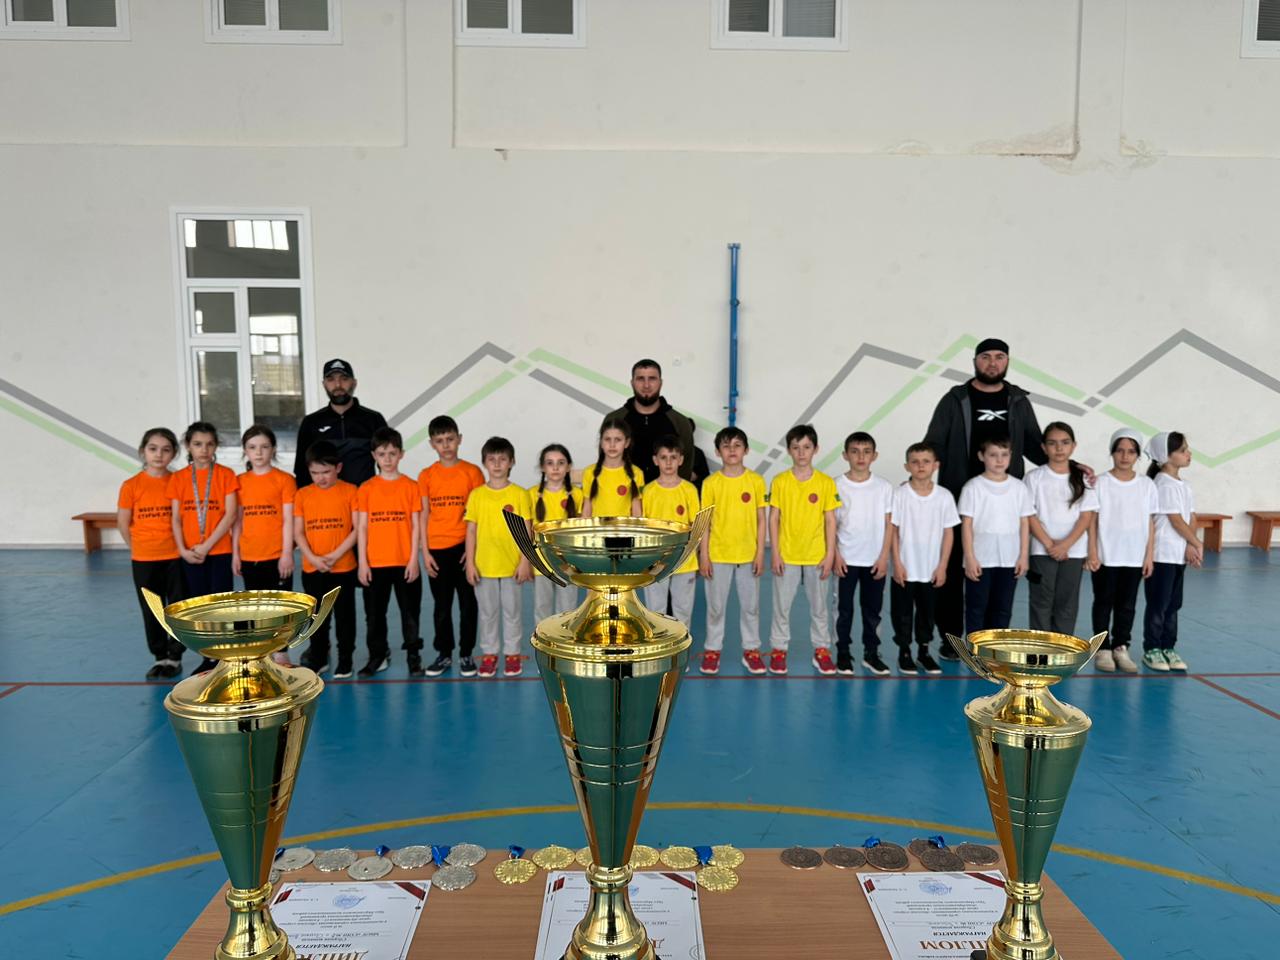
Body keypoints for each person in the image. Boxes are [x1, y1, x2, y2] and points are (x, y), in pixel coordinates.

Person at [924, 338, 1046, 657]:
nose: (993, 363)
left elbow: (1036, 446)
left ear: (1007, 362)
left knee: (998, 580)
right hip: (959, 500)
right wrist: (919, 478)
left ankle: (991, 640)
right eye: (986, 357)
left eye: (999, 357)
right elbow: (934, 443)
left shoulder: (1018, 401)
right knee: (953, 570)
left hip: (1002, 505)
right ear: (975, 361)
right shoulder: (955, 399)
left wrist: (1071, 465)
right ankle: (951, 639)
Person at [767, 424, 840, 676]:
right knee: (781, 607)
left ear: (815, 449)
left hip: (816, 556)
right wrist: (775, 553)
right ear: (789, 450)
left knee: (820, 608)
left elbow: (830, 520)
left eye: (806, 447)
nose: (801, 452)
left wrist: (830, 555)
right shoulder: (780, 481)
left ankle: (822, 650)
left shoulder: (825, 483)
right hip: (786, 555)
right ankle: (778, 650)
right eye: (796, 447)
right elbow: (773, 518)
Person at [168, 422, 239, 673]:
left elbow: (230, 515)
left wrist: (207, 545)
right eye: (198, 444)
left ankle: (226, 656)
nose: (204, 450)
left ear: (216, 446)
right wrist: (182, 550)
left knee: (221, 608)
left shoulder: (226, 475)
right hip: (190, 554)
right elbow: (175, 518)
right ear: (188, 446)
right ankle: (209, 657)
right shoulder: (178, 478)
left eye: (209, 444)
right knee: (200, 608)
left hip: (219, 552)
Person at [417, 415, 485, 678]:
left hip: (464, 549)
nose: (445, 445)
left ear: (459, 439)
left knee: (468, 605)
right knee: (441, 607)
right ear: (432, 444)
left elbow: (478, 516)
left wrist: (472, 550)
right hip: (437, 550)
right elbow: (424, 514)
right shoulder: (426, 475)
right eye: (439, 441)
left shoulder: (472, 472)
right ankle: (444, 653)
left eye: (450, 439)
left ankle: (466, 653)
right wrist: (425, 552)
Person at [698, 426, 767, 675]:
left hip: (748, 556)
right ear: (718, 452)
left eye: (737, 445)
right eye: (726, 446)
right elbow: (704, 523)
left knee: (751, 607)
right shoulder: (710, 483)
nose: (732, 450)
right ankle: (712, 650)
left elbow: (761, 519)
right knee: (715, 608)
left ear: (746, 450)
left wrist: (760, 553)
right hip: (718, 555)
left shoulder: (756, 481)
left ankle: (751, 650)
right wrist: (704, 555)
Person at [1089, 428, 1157, 673]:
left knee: (1127, 604)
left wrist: (1149, 555)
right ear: (1112, 452)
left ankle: (1121, 646)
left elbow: (1150, 521)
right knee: (1103, 602)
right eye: (1120, 451)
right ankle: (1102, 648)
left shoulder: (1146, 485)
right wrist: (1092, 551)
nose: (1125, 456)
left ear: (1137, 455)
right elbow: (1092, 520)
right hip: (1106, 555)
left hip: (1134, 556)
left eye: (1130, 451)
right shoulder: (1100, 483)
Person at [464, 437, 533, 678]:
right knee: (488, 612)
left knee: (512, 612)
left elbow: (527, 530)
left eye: (502, 459)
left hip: (512, 565)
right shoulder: (476, 495)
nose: (496, 464)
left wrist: (525, 561)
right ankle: (489, 653)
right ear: (484, 462)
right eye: (491, 459)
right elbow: (470, 531)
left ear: (511, 462)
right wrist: (470, 563)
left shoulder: (520, 494)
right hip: (484, 565)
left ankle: (512, 653)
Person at [118, 427, 184, 680]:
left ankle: (175, 656)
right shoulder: (131, 486)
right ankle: (160, 657)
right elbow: (123, 522)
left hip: (175, 557)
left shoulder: (178, 482)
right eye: (153, 449)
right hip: (144, 559)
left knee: (176, 608)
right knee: (152, 609)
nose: (159, 455)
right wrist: (138, 548)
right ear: (143, 451)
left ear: (174, 453)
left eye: (166, 450)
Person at [356, 427, 422, 678]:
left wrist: (413, 560)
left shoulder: (411, 486)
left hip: (404, 562)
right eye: (382, 454)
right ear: (374, 455)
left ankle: (413, 655)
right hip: (375, 563)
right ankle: (377, 655)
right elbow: (362, 527)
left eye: (392, 453)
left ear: (401, 454)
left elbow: (416, 526)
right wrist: (363, 563)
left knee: (410, 614)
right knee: (374, 615)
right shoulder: (366, 488)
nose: (387, 459)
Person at [890, 443, 960, 675]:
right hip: (905, 568)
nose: (921, 466)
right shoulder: (899, 495)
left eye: (926, 461)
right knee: (902, 613)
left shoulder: (944, 496)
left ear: (935, 465)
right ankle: (904, 652)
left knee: (927, 613)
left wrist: (942, 566)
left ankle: (924, 651)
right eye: (915, 462)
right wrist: (897, 563)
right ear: (906, 466)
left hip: (930, 569)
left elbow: (949, 533)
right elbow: (893, 531)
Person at [1024, 422, 1098, 636]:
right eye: (1052, 443)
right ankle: (1040, 651)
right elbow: (1029, 515)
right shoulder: (1033, 478)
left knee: (1067, 603)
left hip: (1073, 551)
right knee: (1041, 601)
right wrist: (1050, 545)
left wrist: (1065, 545)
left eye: (1065, 443)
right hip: (1041, 550)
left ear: (1073, 446)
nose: (1059, 448)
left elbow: (1086, 516)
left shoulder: (1083, 478)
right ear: (1043, 447)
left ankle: (1061, 650)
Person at [293, 440, 359, 678]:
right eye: (315, 473)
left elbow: (357, 529)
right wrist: (313, 557)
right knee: (317, 618)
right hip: (313, 568)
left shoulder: (351, 491)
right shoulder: (302, 495)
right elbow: (298, 532)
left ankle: (345, 659)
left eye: (326, 472)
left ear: (338, 468)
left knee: (345, 617)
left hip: (343, 567)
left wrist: (335, 555)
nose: (320, 478)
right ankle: (319, 657)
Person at [959, 435, 1034, 638]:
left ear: (1011, 456)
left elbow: (1024, 523)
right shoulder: (973, 487)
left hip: (1009, 558)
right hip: (981, 558)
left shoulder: (1019, 488)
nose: (999, 460)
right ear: (981, 456)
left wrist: (1023, 556)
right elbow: (967, 524)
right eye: (993, 455)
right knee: (977, 607)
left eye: (1004, 455)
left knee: (1002, 608)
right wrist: (970, 557)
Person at [833, 432, 894, 677]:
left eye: (866, 451)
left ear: (874, 455)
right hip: (846, 560)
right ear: (845, 455)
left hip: (874, 561)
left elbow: (889, 524)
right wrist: (836, 555)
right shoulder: (836, 485)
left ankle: (871, 653)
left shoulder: (884, 487)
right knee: (844, 610)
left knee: (873, 610)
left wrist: (884, 557)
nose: (861, 456)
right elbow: (830, 525)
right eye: (855, 451)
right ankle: (843, 652)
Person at [1142, 431, 1201, 672]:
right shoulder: (1163, 484)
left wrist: (1190, 545)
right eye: (1182, 450)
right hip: (1162, 554)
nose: (1188, 453)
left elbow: (1191, 517)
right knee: (1159, 603)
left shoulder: (1184, 485)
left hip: (1178, 554)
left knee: (1173, 604)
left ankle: (1168, 646)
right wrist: (1197, 543)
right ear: (1166, 456)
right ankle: (1152, 648)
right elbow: (1175, 521)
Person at [293, 358, 387, 489]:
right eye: (331, 379)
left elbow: (386, 465)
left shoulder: (374, 419)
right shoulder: (311, 422)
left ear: (354, 383)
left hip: (363, 497)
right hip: (324, 499)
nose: (337, 385)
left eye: (344, 379)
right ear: (324, 384)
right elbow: (301, 469)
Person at [605, 359, 697, 484]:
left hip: (666, 495)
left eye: (652, 379)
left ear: (660, 383)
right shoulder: (614, 420)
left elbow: (685, 467)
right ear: (632, 383)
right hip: (623, 494)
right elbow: (606, 463)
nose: (646, 385)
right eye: (640, 379)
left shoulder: (680, 422)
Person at [641, 436, 701, 627]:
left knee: (683, 611)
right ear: (655, 460)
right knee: (655, 612)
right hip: (655, 562)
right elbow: (643, 529)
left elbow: (696, 527)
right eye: (664, 457)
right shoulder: (648, 491)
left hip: (684, 561)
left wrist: (696, 554)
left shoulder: (689, 490)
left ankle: (681, 646)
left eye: (673, 457)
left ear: (680, 460)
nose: (668, 462)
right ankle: (657, 647)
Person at [528, 444, 583, 622]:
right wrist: (528, 560)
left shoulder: (577, 494)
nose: (555, 467)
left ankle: (564, 640)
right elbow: (528, 532)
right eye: (550, 463)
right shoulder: (531, 494)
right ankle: (543, 641)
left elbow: (581, 531)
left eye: (561, 462)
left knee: (568, 612)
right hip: (542, 563)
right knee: (542, 609)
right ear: (542, 467)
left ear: (568, 467)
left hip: (568, 563)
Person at [581, 418, 644, 519]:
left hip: (624, 529)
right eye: (607, 439)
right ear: (601, 443)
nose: (612, 445)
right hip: (597, 528)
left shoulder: (636, 473)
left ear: (627, 443)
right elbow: (586, 510)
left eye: (618, 440)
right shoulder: (589, 472)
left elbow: (637, 512)